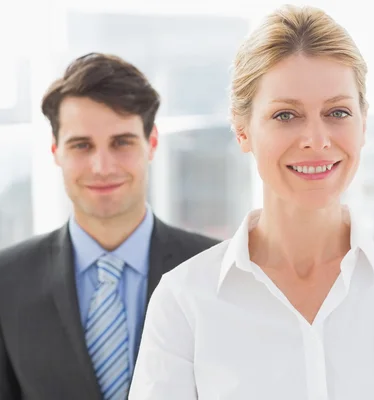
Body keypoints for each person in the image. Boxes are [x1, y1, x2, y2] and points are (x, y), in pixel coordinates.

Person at [129, 5, 374, 400]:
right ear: (242, 130)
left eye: (338, 112)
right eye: (286, 115)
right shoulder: (184, 299)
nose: (316, 139)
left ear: (363, 123)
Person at [0, 53, 219, 400]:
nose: (102, 166)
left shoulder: (216, 269)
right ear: (56, 151)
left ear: (152, 143)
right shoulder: (6, 280)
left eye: (121, 142)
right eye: (82, 145)